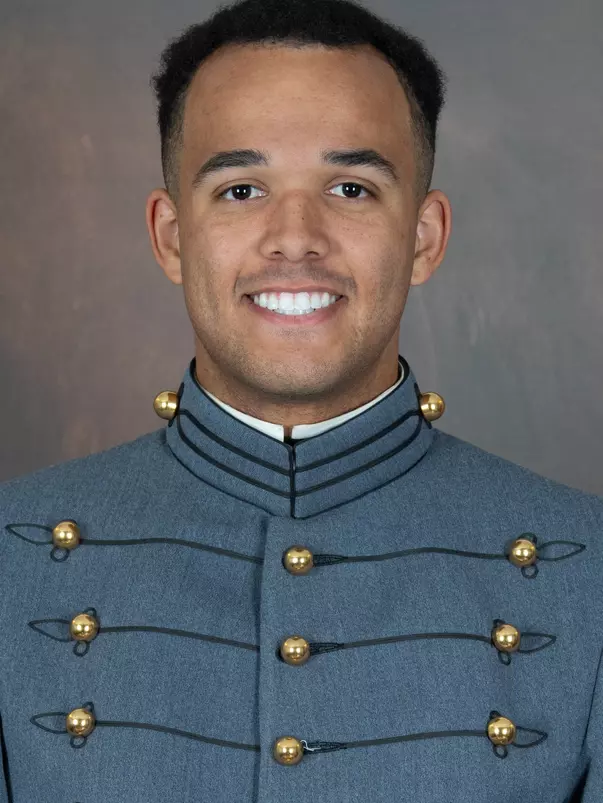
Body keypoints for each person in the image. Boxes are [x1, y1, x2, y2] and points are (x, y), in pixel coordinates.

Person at [0, 0, 601, 800]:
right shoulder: (12, 560)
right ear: (171, 237)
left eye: (350, 187)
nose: (294, 236)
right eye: (242, 188)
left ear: (422, 237)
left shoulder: (584, 565)